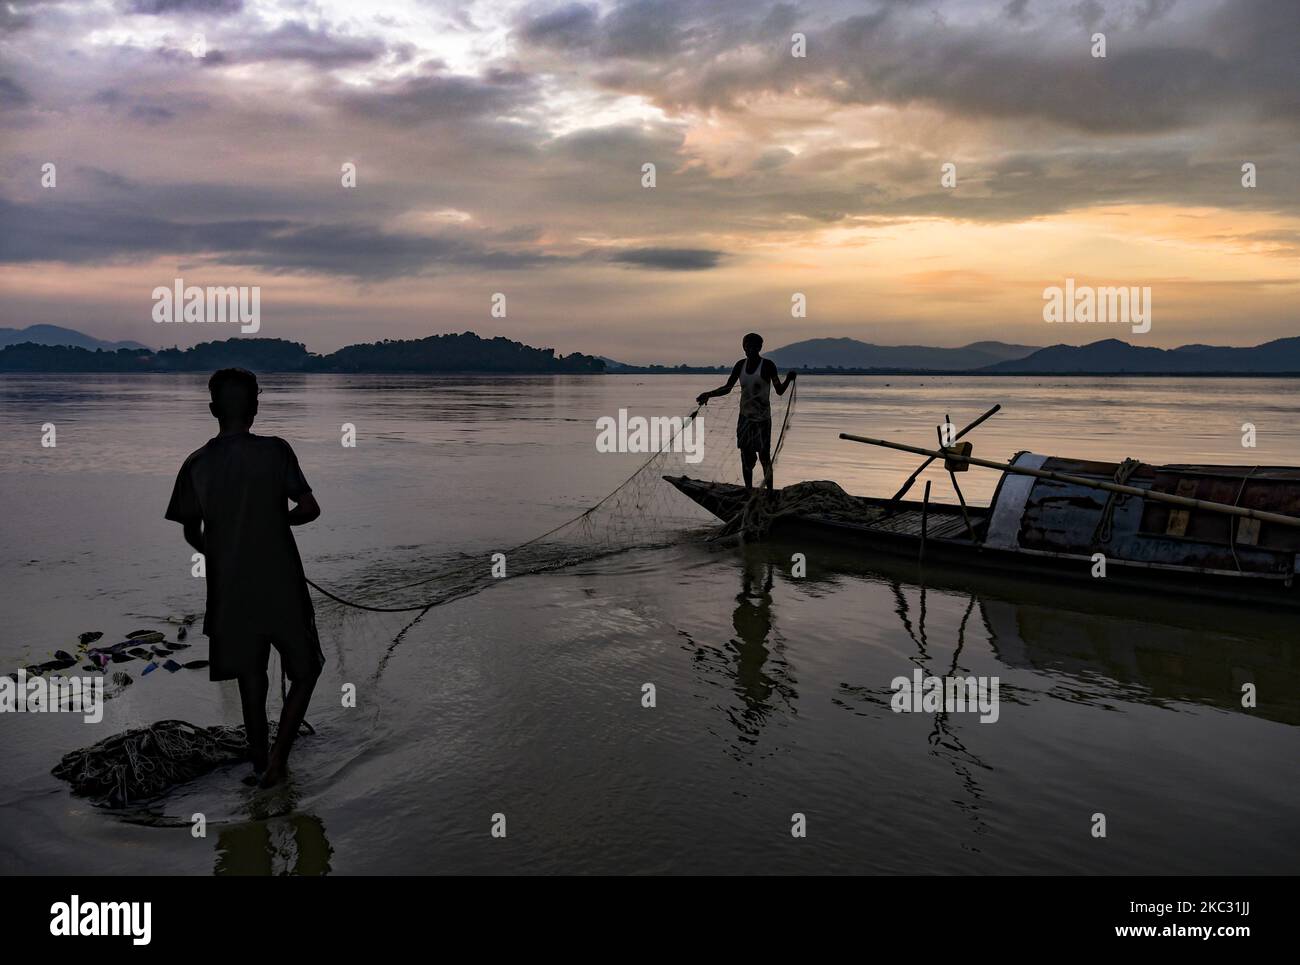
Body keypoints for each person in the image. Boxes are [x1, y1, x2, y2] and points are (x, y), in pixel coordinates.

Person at [165, 368, 323, 789]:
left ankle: (259, 761)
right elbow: (309, 509)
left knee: (251, 676)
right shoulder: (276, 451)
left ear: (213, 409)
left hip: (229, 590)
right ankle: (278, 761)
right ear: (255, 407)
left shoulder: (195, 463)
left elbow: (190, 531)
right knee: (306, 669)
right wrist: (274, 525)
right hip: (281, 583)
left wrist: (221, 552)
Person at [695, 333, 796, 490]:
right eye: (747, 346)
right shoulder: (740, 365)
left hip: (762, 419)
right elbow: (727, 388)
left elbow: (779, 390)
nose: (749, 349)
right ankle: (748, 490)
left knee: (764, 457)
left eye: (753, 346)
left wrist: (788, 379)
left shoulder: (767, 365)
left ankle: (770, 492)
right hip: (745, 418)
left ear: (759, 347)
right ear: (743, 347)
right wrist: (708, 394)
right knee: (746, 456)